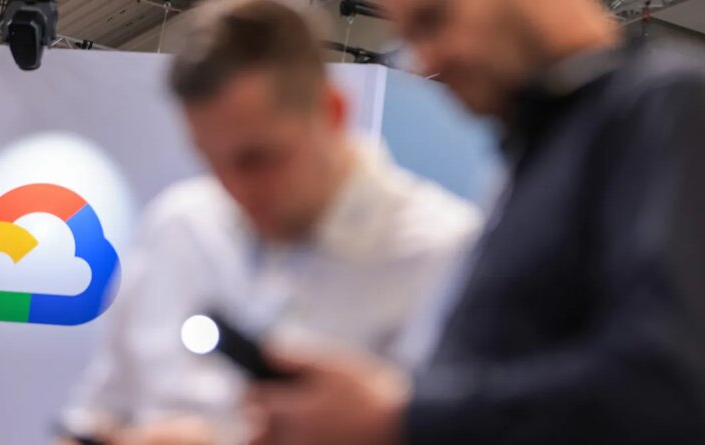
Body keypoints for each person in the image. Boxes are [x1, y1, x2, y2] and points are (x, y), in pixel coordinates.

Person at [244, 0, 705, 444]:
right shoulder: (538, 151)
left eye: (434, 19)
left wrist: (402, 417)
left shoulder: (665, 105)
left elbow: (666, 383)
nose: (427, 62)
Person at [55, 1, 481, 444]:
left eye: (257, 159)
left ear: (332, 111)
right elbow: (93, 417)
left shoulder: (444, 255)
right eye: (211, 161)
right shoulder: (178, 228)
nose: (235, 189)